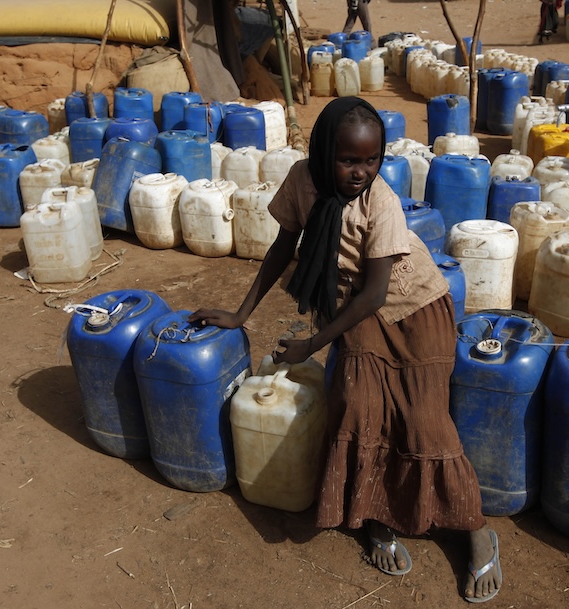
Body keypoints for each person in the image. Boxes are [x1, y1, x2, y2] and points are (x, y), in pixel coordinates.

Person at [189, 97, 502, 603]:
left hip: (413, 308)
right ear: (323, 152)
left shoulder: (379, 202)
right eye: (349, 160)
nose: (361, 172)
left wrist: (312, 343)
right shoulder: (302, 180)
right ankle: (377, 514)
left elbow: (377, 293)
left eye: (371, 160)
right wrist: (241, 313)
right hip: (350, 307)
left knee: (426, 421)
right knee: (361, 408)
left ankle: (475, 530)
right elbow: (282, 247)